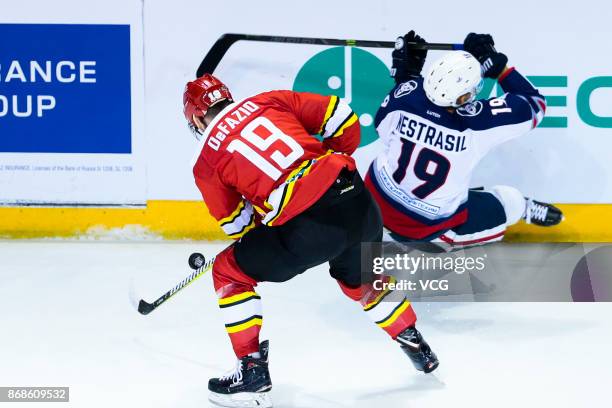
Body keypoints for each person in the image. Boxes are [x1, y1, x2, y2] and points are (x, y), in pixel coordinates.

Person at [184, 75, 439, 408]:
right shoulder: (267, 99)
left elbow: (238, 225)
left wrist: (271, 213)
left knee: (229, 271)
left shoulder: (206, 160)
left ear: (198, 118)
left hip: (310, 229)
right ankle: (415, 342)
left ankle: (251, 371)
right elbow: (342, 117)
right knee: (360, 281)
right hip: (357, 201)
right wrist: (322, 170)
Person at [366, 31, 563, 246]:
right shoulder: (479, 123)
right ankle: (523, 208)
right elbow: (535, 103)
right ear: (463, 97)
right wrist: (499, 69)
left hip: (371, 203)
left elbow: (383, 129)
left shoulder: (405, 95)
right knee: (509, 200)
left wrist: (407, 77)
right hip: (424, 228)